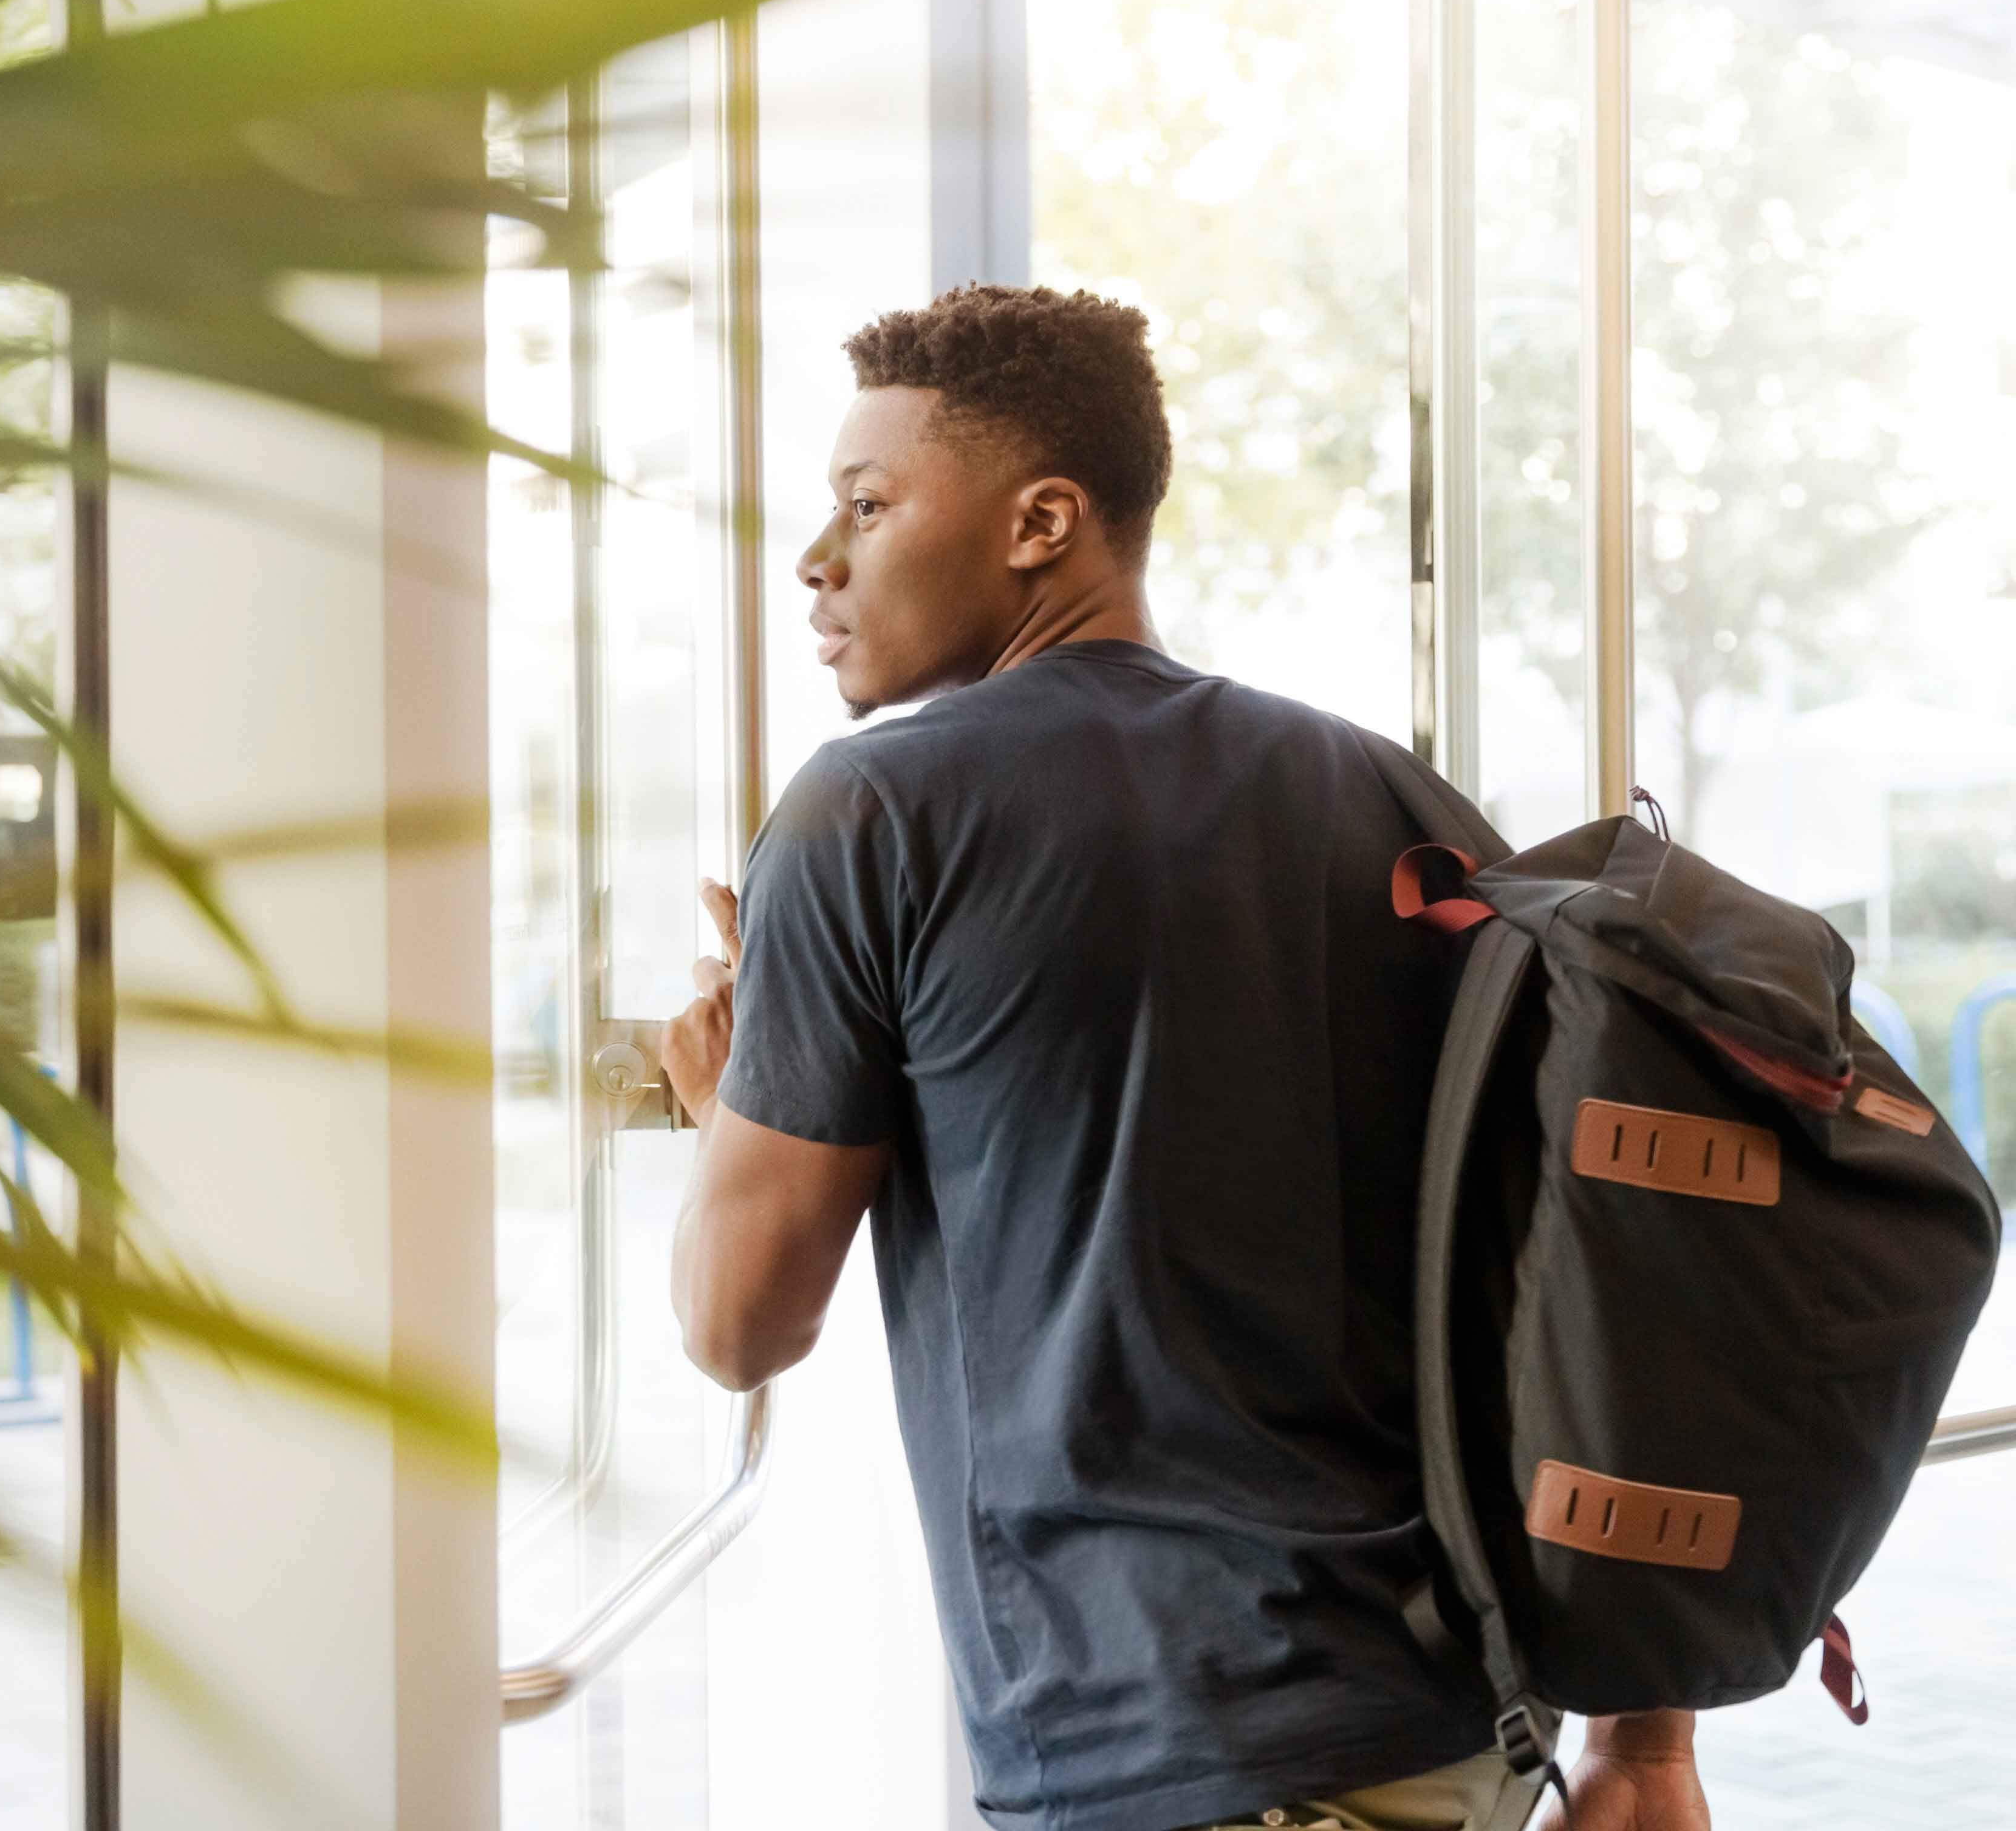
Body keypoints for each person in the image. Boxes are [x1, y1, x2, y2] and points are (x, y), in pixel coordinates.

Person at [655, 284, 1713, 1831]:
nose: (819, 559)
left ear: (1044, 522)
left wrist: (724, 1109)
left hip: (1173, 1753)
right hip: (1463, 1729)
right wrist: (1648, 1745)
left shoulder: (870, 817)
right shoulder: (1394, 802)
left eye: (868, 505)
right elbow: (1598, 1258)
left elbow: (736, 1326)